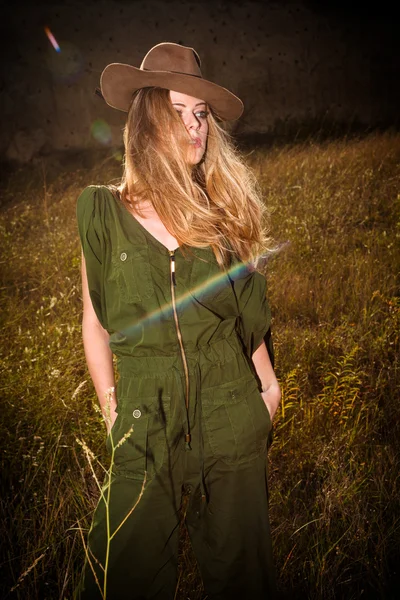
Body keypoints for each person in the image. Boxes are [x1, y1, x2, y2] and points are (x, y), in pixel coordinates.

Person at [75, 42, 281, 600]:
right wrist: (110, 402)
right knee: (130, 573)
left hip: (227, 403)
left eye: (201, 115)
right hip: (146, 408)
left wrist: (267, 387)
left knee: (245, 574)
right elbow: (95, 321)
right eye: (180, 112)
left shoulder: (222, 210)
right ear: (147, 120)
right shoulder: (103, 213)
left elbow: (244, 315)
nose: (195, 127)